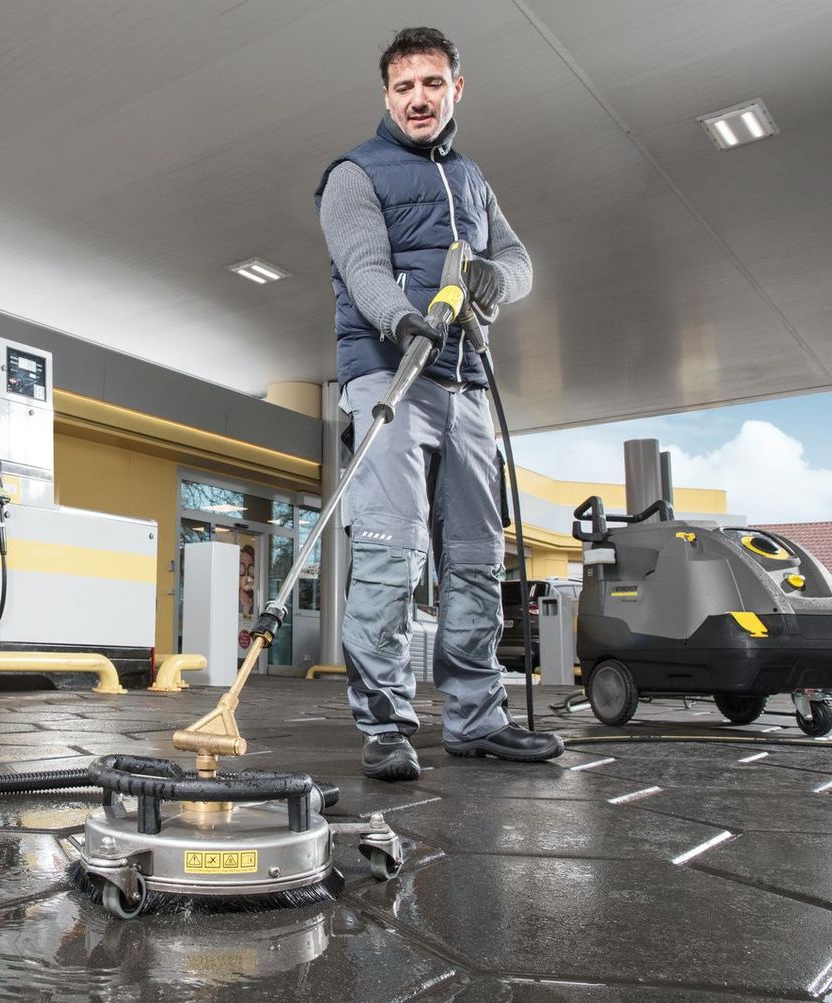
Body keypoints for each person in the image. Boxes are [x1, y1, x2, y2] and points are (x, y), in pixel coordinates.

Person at [315, 26, 564, 780]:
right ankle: (386, 723)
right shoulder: (355, 174)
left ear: (456, 89)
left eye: (431, 83)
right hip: (389, 373)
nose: (418, 98)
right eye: (403, 87)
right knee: (390, 549)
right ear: (386, 95)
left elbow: (518, 260)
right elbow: (363, 266)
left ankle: (476, 718)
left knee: (479, 555)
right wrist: (400, 319)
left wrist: (495, 277)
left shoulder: (472, 179)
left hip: (468, 381)